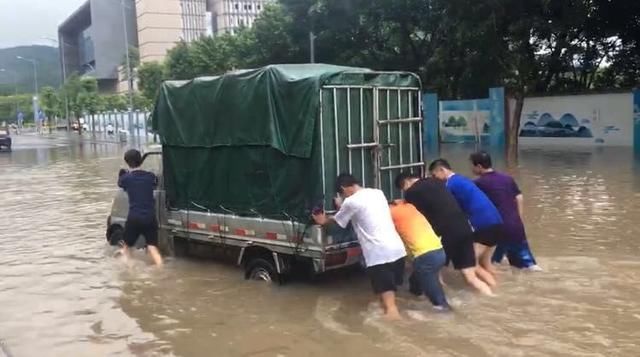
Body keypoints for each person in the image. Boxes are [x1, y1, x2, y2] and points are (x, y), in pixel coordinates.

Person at [313, 174, 407, 319]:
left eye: (342, 194)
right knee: (390, 295)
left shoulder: (351, 202)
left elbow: (337, 221)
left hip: (378, 254)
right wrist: (342, 206)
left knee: (391, 309)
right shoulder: (377, 193)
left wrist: (323, 220)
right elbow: (364, 212)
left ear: (344, 188)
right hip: (398, 250)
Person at [395, 172, 494, 296]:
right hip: (464, 228)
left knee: (436, 273)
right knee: (470, 275)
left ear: (406, 183)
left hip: (446, 233)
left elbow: (413, 214)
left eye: (403, 188)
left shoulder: (411, 192)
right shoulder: (437, 182)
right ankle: (492, 296)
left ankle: (446, 301)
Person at [429, 159, 503, 287]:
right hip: (496, 222)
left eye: (434, 175)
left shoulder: (450, 185)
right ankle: (500, 288)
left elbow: (448, 210)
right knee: (486, 264)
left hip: (483, 226)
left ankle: (492, 296)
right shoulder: (462, 180)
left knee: (470, 266)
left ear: (442, 170)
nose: (434, 179)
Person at [470, 151, 542, 271]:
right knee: (527, 266)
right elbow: (519, 197)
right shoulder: (507, 178)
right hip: (515, 226)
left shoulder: (478, 183)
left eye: (472, 166)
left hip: (495, 228)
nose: (472, 169)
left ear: (479, 166)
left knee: (485, 263)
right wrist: (517, 218)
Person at [389, 200, 450, 310]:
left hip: (425, 254)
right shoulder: (410, 207)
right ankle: (419, 299)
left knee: (431, 288)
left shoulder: (391, 213)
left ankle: (442, 308)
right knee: (415, 282)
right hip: (439, 250)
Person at [118, 149, 163, 266]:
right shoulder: (150, 177)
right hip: (150, 217)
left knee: (126, 247)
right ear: (141, 161)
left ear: (127, 162)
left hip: (134, 218)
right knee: (152, 247)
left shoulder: (126, 178)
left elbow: (120, 183)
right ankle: (161, 269)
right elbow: (155, 181)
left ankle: (129, 271)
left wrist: (122, 173)